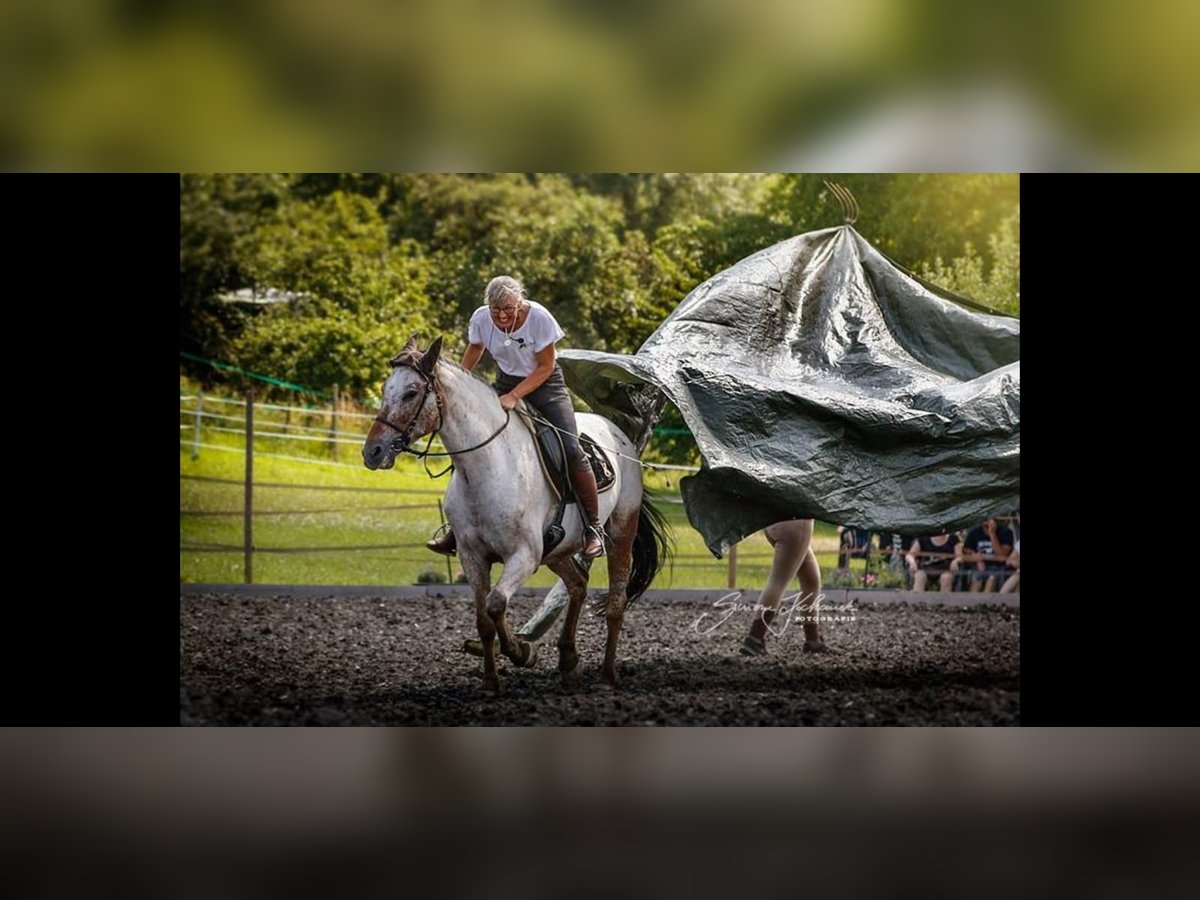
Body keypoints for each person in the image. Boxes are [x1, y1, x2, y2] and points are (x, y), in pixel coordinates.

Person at [426, 275, 605, 559]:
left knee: (571, 449)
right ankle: (457, 529)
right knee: (472, 443)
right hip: (506, 381)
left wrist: (514, 396)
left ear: (520, 304)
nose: (502, 316)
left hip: (547, 386)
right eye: (496, 311)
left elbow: (546, 366)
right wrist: (458, 383)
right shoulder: (482, 319)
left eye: (508, 310)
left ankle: (593, 528)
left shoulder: (540, 318)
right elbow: (475, 348)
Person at [740, 519, 828, 656]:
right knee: (778, 582)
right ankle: (755, 638)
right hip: (796, 524)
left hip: (774, 522)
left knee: (811, 580)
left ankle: (813, 641)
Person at [962, 517, 1015, 592]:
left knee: (991, 578)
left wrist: (992, 534)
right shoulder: (974, 532)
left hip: (999, 567)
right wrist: (977, 559)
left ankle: (986, 603)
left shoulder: (1006, 532)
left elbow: (1002, 556)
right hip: (980, 567)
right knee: (977, 578)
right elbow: (967, 552)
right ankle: (971, 602)